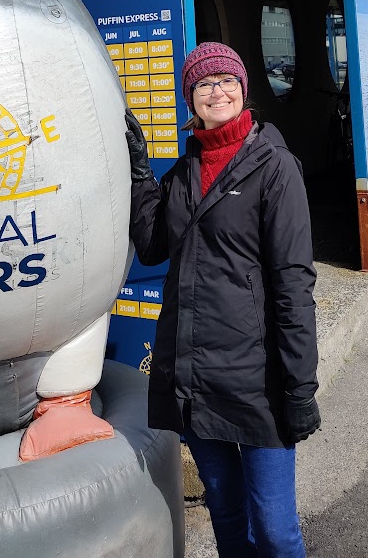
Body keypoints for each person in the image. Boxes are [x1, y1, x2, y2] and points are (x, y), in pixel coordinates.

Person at [125, 41, 320, 558]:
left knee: (275, 530)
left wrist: (300, 386)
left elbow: (294, 284)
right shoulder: (184, 172)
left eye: (227, 80)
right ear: (191, 98)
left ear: (243, 88)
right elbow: (152, 245)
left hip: (258, 382)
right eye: (204, 84)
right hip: (195, 378)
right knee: (227, 516)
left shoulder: (274, 167)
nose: (217, 92)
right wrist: (140, 174)